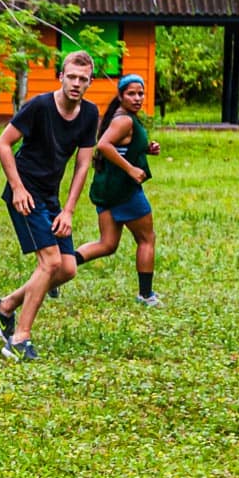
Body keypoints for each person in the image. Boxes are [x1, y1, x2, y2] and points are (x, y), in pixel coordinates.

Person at [0, 50, 99, 361]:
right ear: (60, 77)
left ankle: (4, 306)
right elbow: (3, 144)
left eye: (83, 79)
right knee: (49, 263)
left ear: (89, 82)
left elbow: (82, 165)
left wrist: (69, 210)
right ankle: (18, 339)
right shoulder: (39, 106)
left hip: (51, 196)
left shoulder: (90, 115)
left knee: (68, 268)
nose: (76, 83)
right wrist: (17, 188)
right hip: (26, 193)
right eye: (71, 77)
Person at [73, 73, 162, 306]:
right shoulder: (124, 120)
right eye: (131, 93)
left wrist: (146, 149)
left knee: (107, 244)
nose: (137, 98)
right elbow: (103, 145)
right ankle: (146, 295)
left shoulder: (123, 117)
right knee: (146, 239)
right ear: (121, 95)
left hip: (107, 189)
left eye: (140, 93)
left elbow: (121, 146)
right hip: (125, 191)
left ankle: (57, 270)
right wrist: (132, 169)